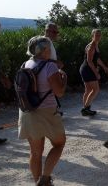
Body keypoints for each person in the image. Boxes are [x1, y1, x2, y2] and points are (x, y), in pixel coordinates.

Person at [19, 36, 67, 185]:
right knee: (59, 144)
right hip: (47, 111)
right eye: (49, 47)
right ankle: (45, 178)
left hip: (28, 112)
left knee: (35, 152)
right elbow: (59, 92)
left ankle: (37, 182)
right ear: (45, 49)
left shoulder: (26, 64)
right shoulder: (50, 66)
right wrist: (64, 79)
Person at [79, 29, 108, 116]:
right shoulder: (92, 45)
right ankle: (85, 109)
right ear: (92, 36)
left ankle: (85, 108)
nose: (98, 36)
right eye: (96, 35)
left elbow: (97, 59)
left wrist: (104, 67)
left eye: (99, 35)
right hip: (88, 69)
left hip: (86, 69)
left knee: (88, 90)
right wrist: (96, 73)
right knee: (96, 89)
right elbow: (89, 61)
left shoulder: (95, 45)